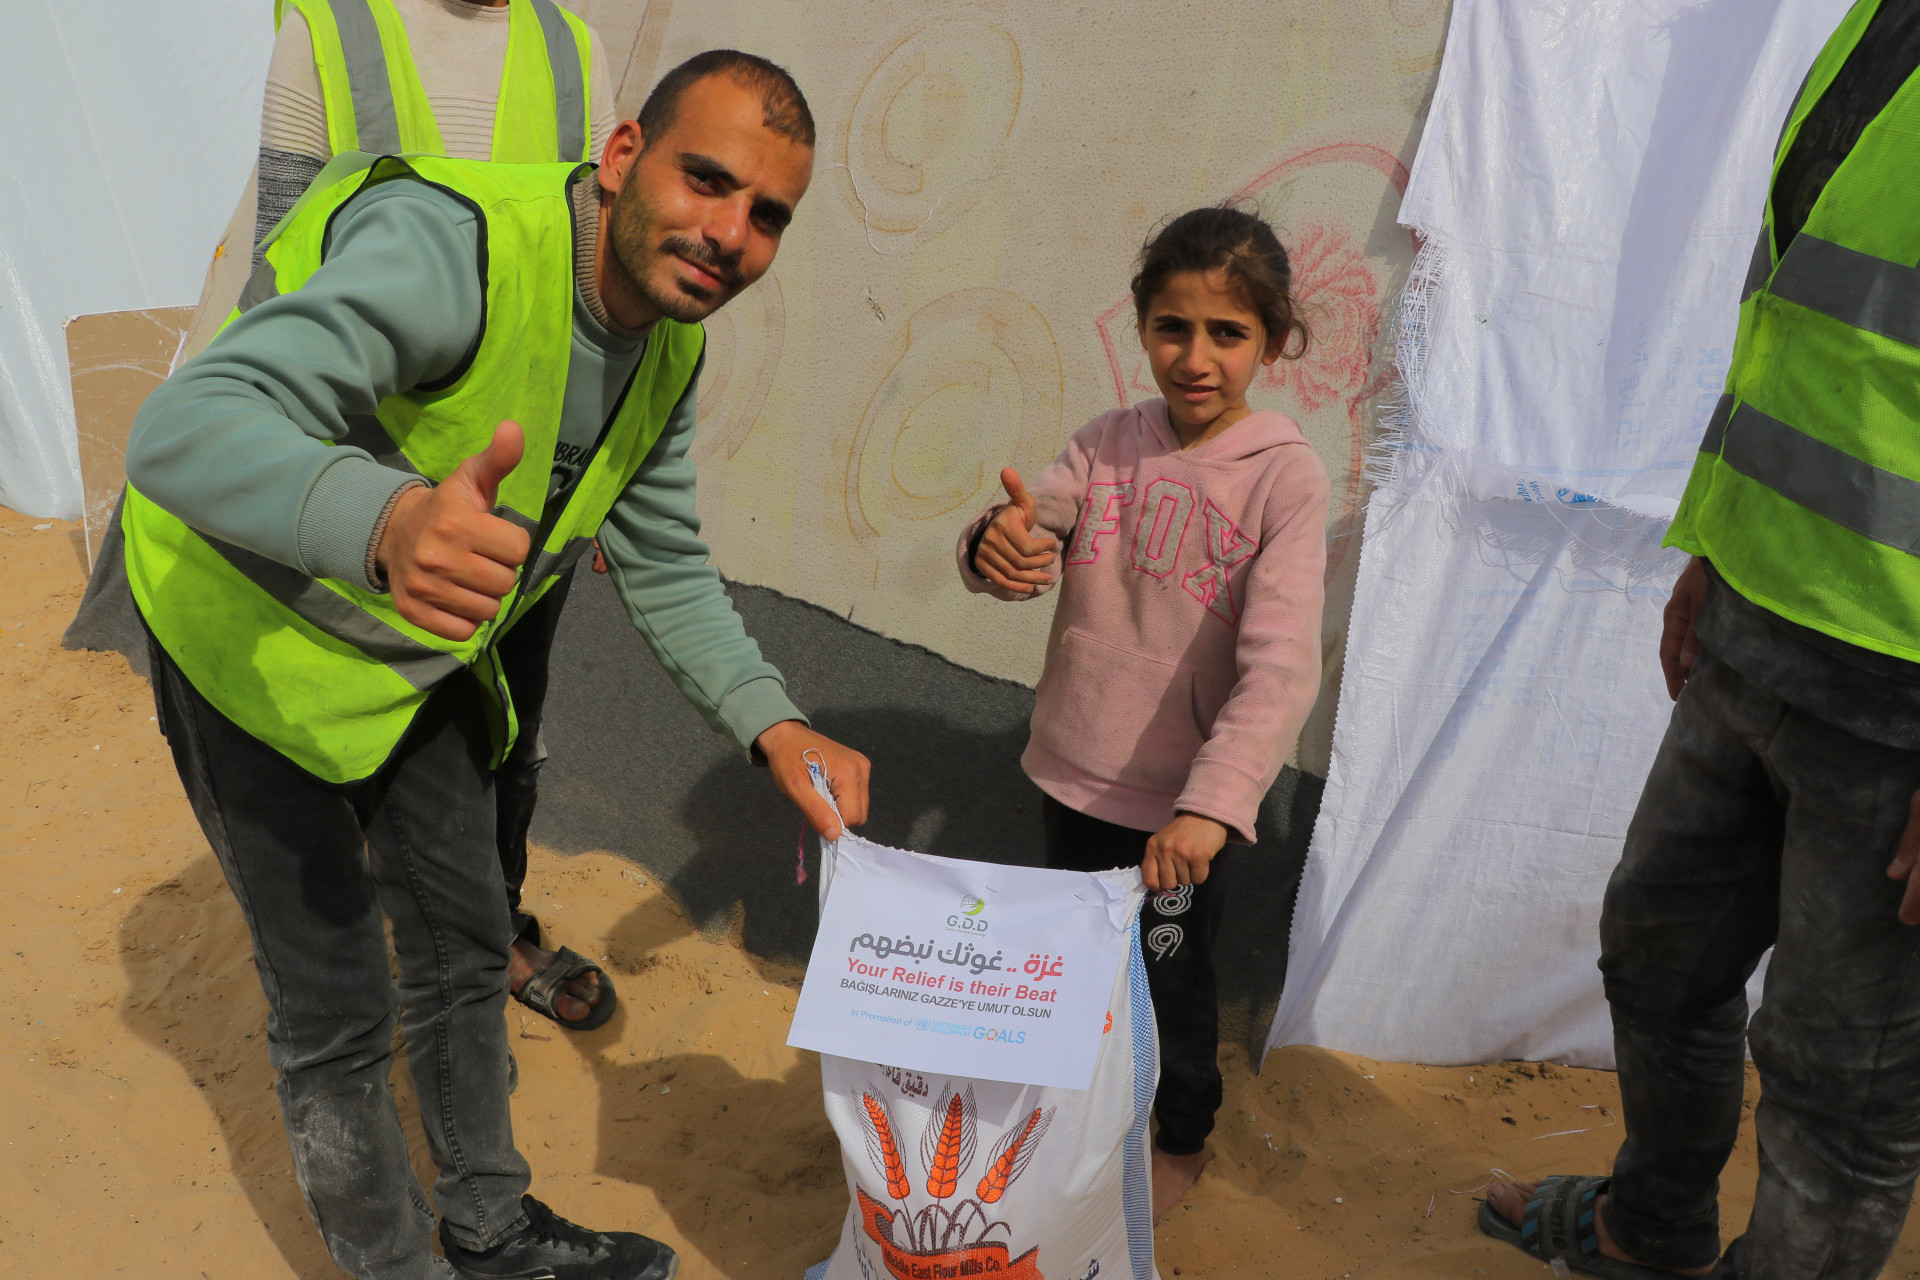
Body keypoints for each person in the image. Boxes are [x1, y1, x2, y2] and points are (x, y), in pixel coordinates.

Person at [122, 49, 869, 1280]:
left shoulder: (668, 344)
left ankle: (488, 1227)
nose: (729, 232)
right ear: (623, 156)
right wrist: (388, 520)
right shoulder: (453, 253)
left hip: (409, 664)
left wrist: (773, 725)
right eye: (706, 179)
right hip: (242, 642)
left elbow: (666, 562)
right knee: (337, 1011)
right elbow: (182, 426)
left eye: (768, 214)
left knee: (469, 939)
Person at [69, 0, 626, 1030]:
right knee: (370, 720)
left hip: (521, 490)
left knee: (511, 726)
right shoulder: (324, 35)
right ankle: (370, 949)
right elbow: (281, 275)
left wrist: (604, 487)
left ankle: (490, 934)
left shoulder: (572, 49)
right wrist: (347, 505)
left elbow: (595, 272)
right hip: (372, 498)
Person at [1481, 3, 1920, 1277]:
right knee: (1659, 955)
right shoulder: (1877, 22)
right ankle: (1647, 1230)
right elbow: (1807, 317)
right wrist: (1717, 542)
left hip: (1895, 705)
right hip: (1756, 630)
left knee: (1837, 1105)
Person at [958, 206, 1328, 1224]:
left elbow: (1283, 664)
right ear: (1140, 324)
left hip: (1181, 816)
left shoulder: (1284, 479)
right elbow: (1034, 526)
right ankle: (1078, 1111)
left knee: (1171, 979)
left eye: (1228, 332)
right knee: (1073, 964)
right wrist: (1000, 542)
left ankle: (1181, 1132)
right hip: (1073, 775)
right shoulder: (1104, 443)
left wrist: (1211, 806)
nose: (1196, 356)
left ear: (1274, 340)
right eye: (1174, 327)